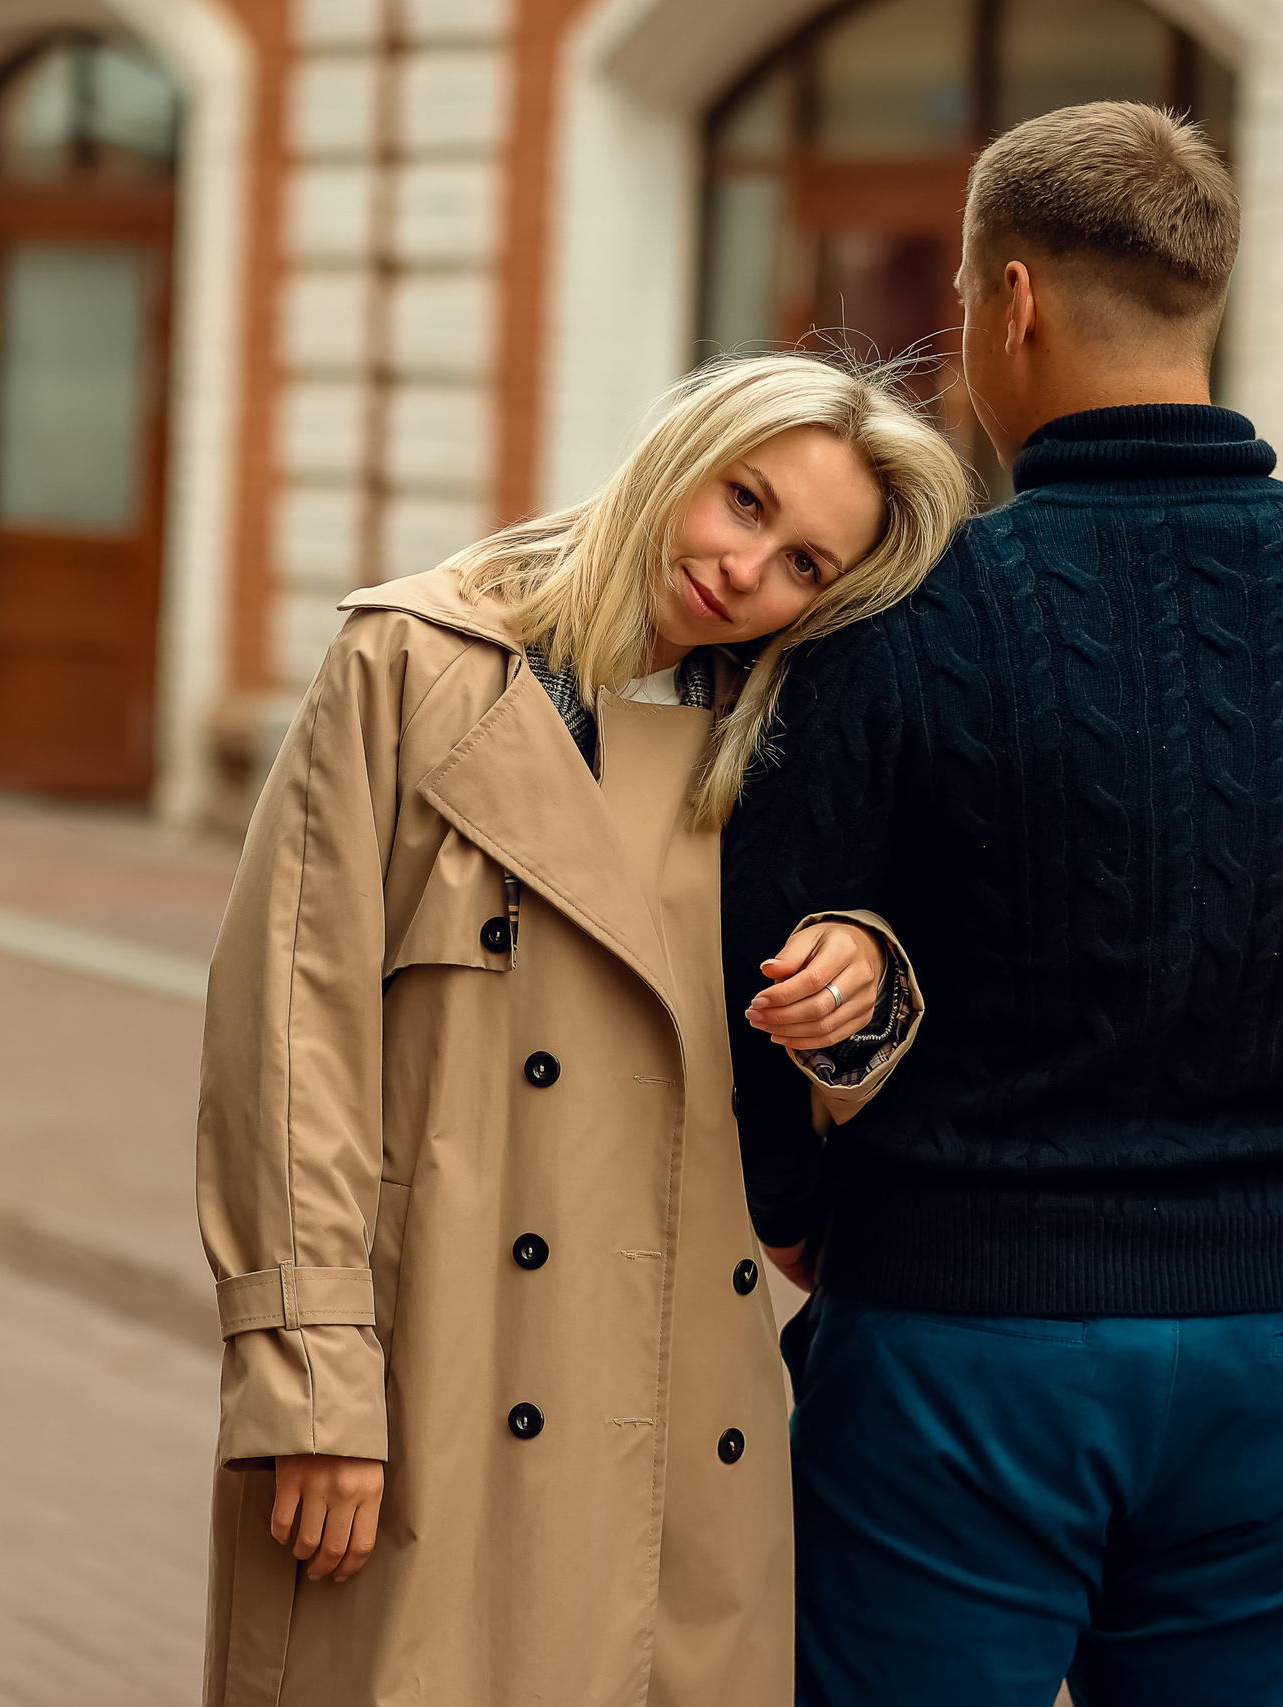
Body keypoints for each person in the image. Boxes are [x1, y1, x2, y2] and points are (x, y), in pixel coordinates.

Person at [722, 104, 1283, 1707]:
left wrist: (799, 1215)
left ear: (1011, 302)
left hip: (964, 1331)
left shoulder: (909, 614)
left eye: (963, 309)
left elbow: (762, 943)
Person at [195, 353, 972, 1707]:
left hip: (685, 1415)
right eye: (743, 502)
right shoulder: (413, 662)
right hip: (436, 1376)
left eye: (803, 564)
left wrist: (865, 988)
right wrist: (314, 1385)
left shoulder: (790, 731)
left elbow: (843, 1080)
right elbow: (287, 1044)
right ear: (682, 452)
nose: (747, 572)